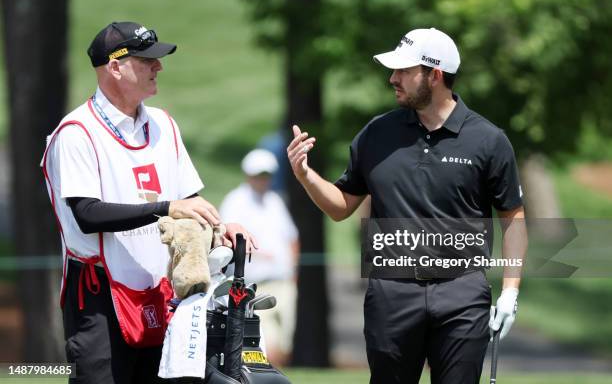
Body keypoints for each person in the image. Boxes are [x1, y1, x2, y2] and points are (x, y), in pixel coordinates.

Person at [287, 27, 527, 384]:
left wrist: (510, 291)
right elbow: (340, 207)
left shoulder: (489, 140)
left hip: (462, 293)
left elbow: (513, 218)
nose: (392, 79)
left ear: (435, 74)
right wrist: (306, 176)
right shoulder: (376, 134)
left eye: (403, 71)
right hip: (392, 292)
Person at [41, 21, 253, 384]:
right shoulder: (76, 132)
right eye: (146, 60)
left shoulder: (163, 124)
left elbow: (187, 198)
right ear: (115, 67)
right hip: (98, 296)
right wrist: (166, 208)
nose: (159, 67)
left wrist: (220, 226)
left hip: (160, 291)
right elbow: (87, 215)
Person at [220, 149, 299, 365]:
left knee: (284, 343)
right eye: (258, 175)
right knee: (266, 340)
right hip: (254, 286)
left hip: (283, 281)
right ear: (248, 174)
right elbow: (228, 240)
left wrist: (293, 272)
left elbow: (292, 238)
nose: (263, 179)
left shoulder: (275, 201)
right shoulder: (235, 201)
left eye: (266, 175)